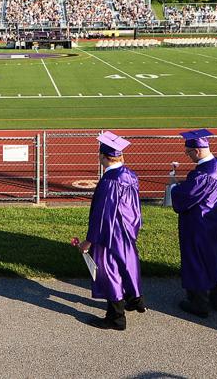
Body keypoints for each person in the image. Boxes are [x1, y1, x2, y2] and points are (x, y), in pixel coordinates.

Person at [77, 131, 144, 331]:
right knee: (128, 264)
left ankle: (116, 317)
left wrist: (89, 241)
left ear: (103, 157)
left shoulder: (109, 182)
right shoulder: (130, 175)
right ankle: (135, 299)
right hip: (127, 230)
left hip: (110, 233)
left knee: (109, 271)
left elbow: (102, 215)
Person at [170, 129, 217, 318]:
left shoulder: (203, 175)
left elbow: (185, 197)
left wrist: (173, 186)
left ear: (197, 151)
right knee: (213, 256)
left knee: (195, 259)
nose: (187, 156)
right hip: (215, 221)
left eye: (188, 152)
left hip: (197, 224)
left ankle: (198, 302)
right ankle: (216, 297)